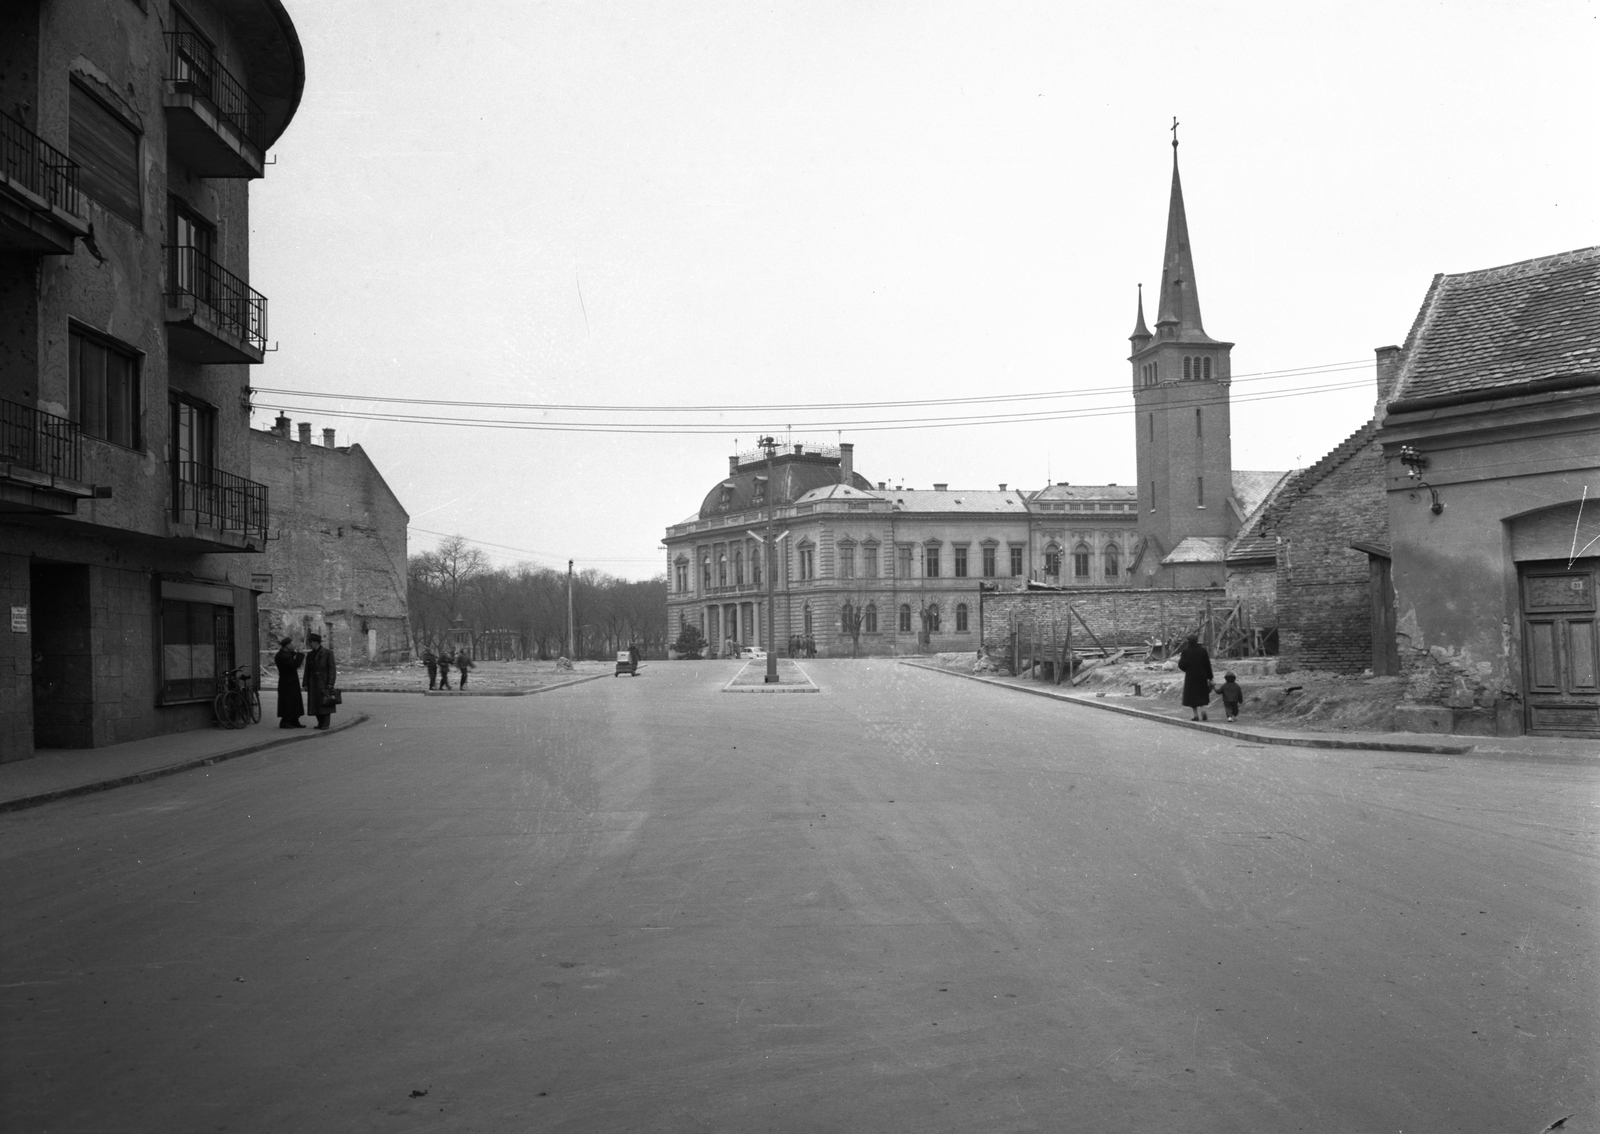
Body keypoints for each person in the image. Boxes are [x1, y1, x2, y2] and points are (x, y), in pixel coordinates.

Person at [302, 632, 338, 730]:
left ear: (316, 642)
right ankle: (320, 722)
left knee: (325, 702)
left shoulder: (327, 653)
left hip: (323, 681)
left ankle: (325, 723)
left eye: (311, 642)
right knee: (315, 703)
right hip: (313, 682)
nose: (310, 644)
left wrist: (331, 682)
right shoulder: (310, 655)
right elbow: (307, 670)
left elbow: (332, 669)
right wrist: (305, 683)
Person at [1177, 633, 1214, 721]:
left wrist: (1188, 669)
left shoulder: (1185, 651)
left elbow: (1181, 664)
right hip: (1202, 675)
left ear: (1188, 641)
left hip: (1191, 676)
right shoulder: (1203, 650)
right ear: (1197, 640)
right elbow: (1207, 664)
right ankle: (1203, 710)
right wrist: (1210, 676)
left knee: (1192, 696)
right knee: (1201, 694)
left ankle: (1196, 715)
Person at [273, 637, 305, 728]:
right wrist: (299, 655)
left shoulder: (284, 654)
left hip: (290, 681)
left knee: (294, 701)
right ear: (287, 645)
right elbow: (294, 665)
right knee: (287, 701)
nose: (292, 645)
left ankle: (294, 720)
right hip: (287, 682)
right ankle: (285, 721)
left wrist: (294, 652)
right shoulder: (283, 656)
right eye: (291, 644)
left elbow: (291, 657)